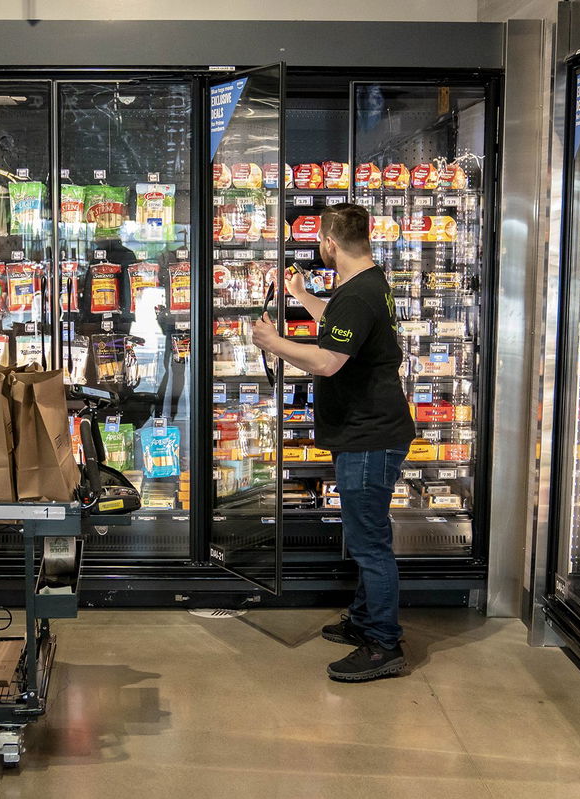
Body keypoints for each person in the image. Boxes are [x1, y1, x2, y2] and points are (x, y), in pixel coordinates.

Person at [251, 202, 415, 682]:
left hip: (369, 437)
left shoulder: (359, 294)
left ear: (328, 243)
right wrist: (302, 295)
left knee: (369, 544)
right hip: (366, 433)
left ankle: (384, 645)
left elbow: (328, 361)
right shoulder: (364, 285)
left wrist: (273, 341)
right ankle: (366, 622)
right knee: (366, 536)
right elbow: (340, 327)